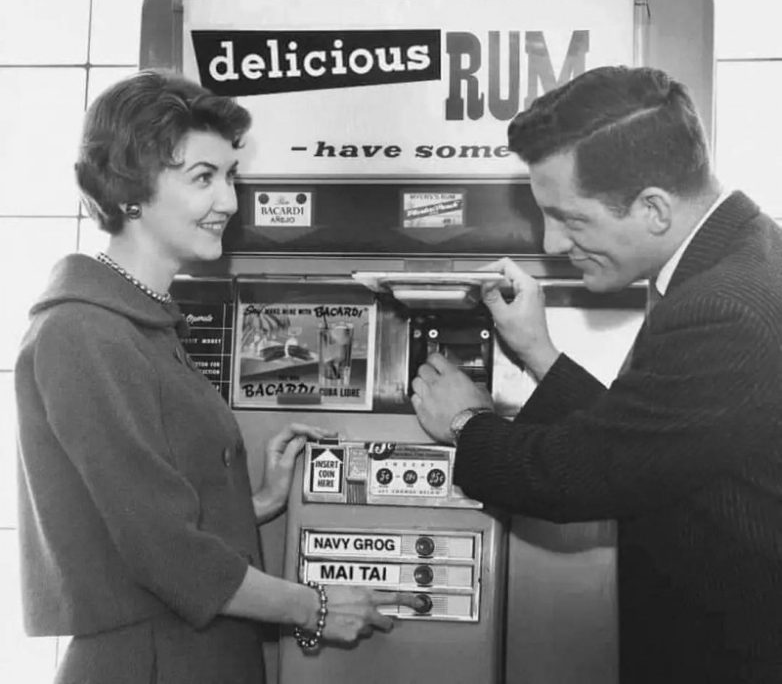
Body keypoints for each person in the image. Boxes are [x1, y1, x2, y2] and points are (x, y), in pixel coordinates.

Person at [15, 70, 418, 684]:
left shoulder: (137, 322)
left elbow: (137, 517)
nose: (229, 202)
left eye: (231, 176)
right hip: (152, 661)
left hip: (191, 653)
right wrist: (314, 607)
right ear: (130, 191)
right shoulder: (85, 333)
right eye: (203, 178)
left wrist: (254, 503)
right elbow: (163, 552)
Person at [411, 66, 782, 683]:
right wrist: (540, 352)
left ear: (653, 208)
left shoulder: (723, 309)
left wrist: (466, 421)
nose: (553, 244)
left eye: (571, 219)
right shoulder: (745, 260)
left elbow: (587, 474)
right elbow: (653, 443)